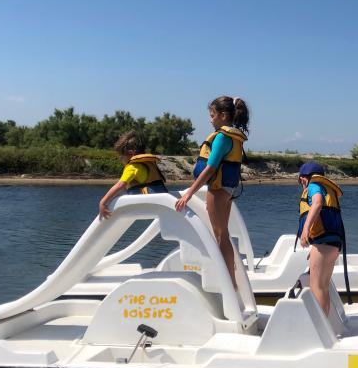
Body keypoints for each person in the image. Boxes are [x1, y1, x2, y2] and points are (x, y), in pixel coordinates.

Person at [175, 96, 249, 289]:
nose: (210, 119)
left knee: (219, 236)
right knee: (223, 234)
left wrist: (190, 193)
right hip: (228, 188)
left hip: (217, 189)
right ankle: (231, 281)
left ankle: (228, 283)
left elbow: (210, 168)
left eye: (212, 115)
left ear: (223, 116)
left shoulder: (223, 137)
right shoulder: (233, 135)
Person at [297, 161, 346, 315]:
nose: (301, 183)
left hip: (323, 242)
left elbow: (317, 203)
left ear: (305, 177)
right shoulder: (325, 187)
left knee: (316, 287)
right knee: (322, 288)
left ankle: (320, 329)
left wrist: (305, 230)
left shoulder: (313, 186)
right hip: (333, 243)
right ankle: (325, 325)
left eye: (300, 180)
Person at [98, 130, 168, 220]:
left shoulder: (132, 167)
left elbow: (120, 185)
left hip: (148, 204)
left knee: (117, 198)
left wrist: (103, 202)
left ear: (131, 154)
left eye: (121, 156)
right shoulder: (148, 163)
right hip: (160, 202)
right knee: (121, 194)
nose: (120, 159)